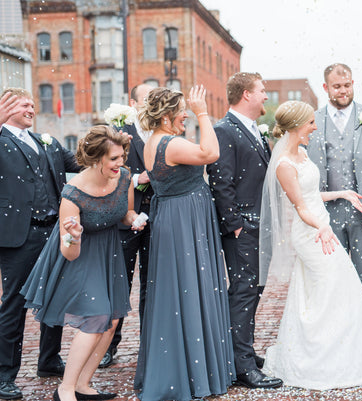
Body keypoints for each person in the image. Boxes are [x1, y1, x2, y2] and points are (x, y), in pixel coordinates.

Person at [260, 101, 362, 390]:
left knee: (331, 291)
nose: (315, 127)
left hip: (321, 228)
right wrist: (322, 226)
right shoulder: (283, 165)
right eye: (310, 123)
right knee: (330, 288)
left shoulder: (302, 153)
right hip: (310, 234)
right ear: (295, 127)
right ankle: (316, 359)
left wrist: (342, 193)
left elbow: (314, 195)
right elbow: (301, 207)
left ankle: (335, 355)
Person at [20, 125, 141, 401]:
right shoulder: (72, 193)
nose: (120, 163)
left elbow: (125, 212)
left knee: (111, 320)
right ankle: (64, 389)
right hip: (78, 256)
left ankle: (83, 385)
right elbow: (69, 252)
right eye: (113, 158)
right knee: (96, 316)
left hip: (109, 253)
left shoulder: (124, 178)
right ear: (96, 158)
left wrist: (134, 220)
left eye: (121, 156)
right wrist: (73, 237)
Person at [134, 86, 235, 400]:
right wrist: (204, 113)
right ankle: (190, 374)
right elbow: (210, 153)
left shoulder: (154, 141)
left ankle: (187, 366)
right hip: (183, 220)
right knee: (189, 288)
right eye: (182, 110)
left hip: (175, 216)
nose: (186, 114)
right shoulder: (170, 143)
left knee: (179, 290)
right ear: (166, 116)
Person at [306, 63, 362, 344]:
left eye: (347, 85)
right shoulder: (312, 120)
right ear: (326, 88)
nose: (343, 90)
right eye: (337, 86)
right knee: (330, 279)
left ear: (353, 83)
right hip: (326, 213)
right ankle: (336, 339)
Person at [0, 88, 80, 400]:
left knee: (55, 298)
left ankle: (48, 360)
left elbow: (78, 162)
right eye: (24, 105)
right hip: (18, 236)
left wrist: (115, 138)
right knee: (14, 305)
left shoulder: (46, 141)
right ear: (6, 108)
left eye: (33, 104)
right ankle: (4, 375)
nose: (32, 109)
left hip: (53, 231)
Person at [206, 72, 283, 389]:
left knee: (251, 292)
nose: (266, 96)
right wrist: (236, 225)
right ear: (246, 95)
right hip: (243, 229)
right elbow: (220, 181)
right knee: (242, 293)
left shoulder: (252, 130)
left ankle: (242, 352)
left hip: (257, 227)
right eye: (262, 91)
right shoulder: (224, 130)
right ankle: (242, 367)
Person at [101, 83, 154, 369]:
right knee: (119, 283)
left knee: (152, 283)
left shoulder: (163, 133)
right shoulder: (120, 134)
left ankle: (149, 342)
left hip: (156, 218)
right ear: (132, 103)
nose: (150, 104)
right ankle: (109, 345)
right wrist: (136, 181)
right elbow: (107, 175)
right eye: (146, 99)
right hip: (124, 220)